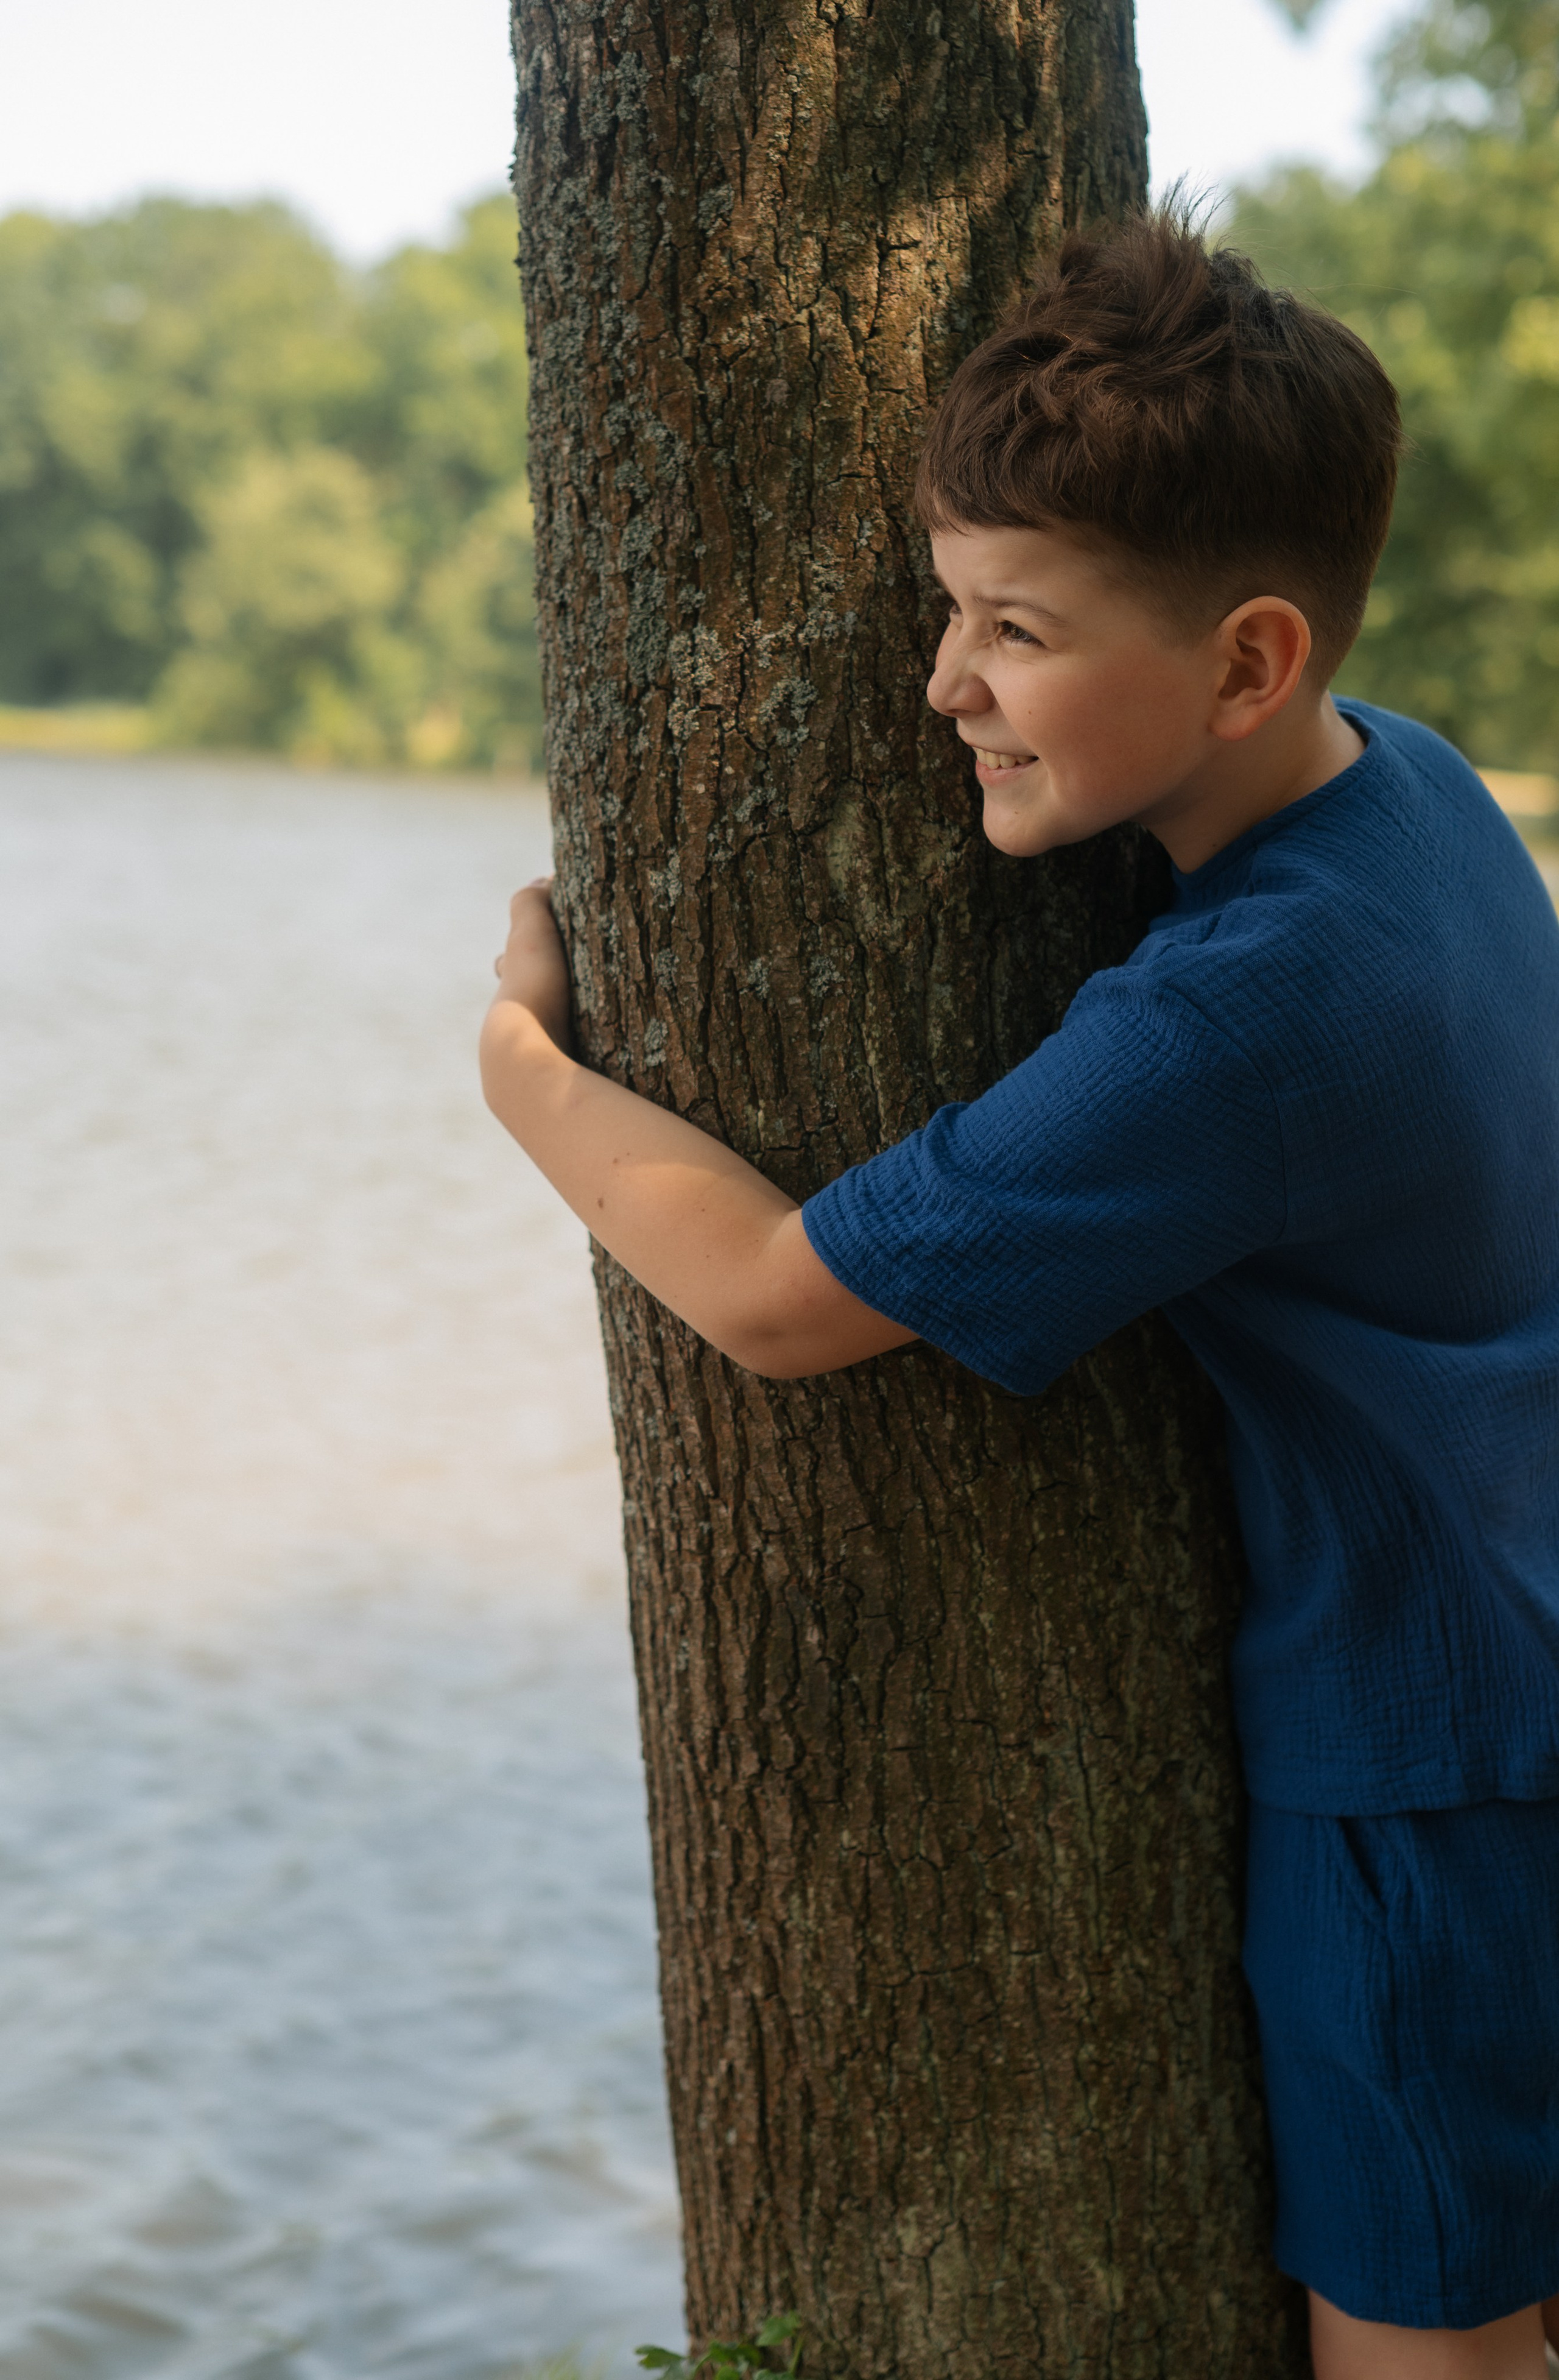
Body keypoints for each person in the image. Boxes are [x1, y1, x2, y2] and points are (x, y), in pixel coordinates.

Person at [479, 211, 1559, 2380]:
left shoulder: (1236, 1015)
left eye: (1018, 630)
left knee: (1427, 2347)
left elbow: (775, 1302)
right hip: (1528, 1644)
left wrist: (527, 1071)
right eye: (950, 607)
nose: (944, 684)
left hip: (1427, 1755)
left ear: (1247, 666)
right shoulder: (1418, 786)